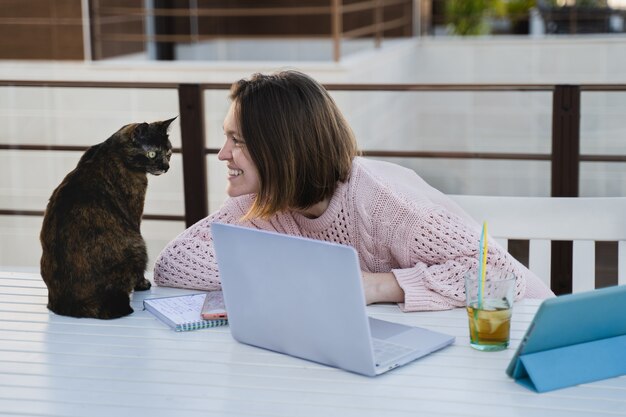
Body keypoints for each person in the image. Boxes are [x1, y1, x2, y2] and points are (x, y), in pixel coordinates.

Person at [153, 70, 554, 311]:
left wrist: (375, 285)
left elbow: (497, 273)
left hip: (525, 331)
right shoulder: (260, 203)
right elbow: (175, 265)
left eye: (237, 140)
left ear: (282, 148)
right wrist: (304, 275)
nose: (223, 154)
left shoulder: (384, 202)